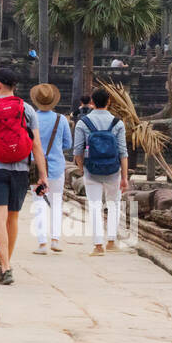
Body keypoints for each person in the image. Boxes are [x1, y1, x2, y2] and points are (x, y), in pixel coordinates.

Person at [0, 68, 47, 285]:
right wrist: (43, 175)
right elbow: (37, 146)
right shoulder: (27, 109)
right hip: (21, 170)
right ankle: (7, 265)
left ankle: (5, 265)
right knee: (12, 218)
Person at [72, 86, 128, 256]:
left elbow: (77, 151)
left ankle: (98, 245)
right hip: (113, 170)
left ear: (92, 103)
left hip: (92, 170)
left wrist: (83, 169)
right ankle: (111, 241)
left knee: (95, 206)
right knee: (114, 204)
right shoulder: (118, 123)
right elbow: (123, 152)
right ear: (109, 102)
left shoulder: (83, 122)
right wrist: (124, 177)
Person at [28, 84, 72, 255]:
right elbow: (68, 143)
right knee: (56, 202)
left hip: (35, 167)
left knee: (38, 203)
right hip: (56, 166)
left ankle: (42, 243)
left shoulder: (31, 119)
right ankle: (55, 239)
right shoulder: (61, 119)